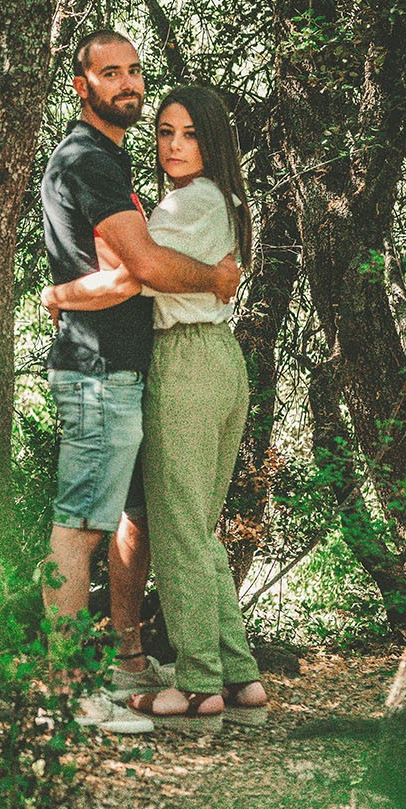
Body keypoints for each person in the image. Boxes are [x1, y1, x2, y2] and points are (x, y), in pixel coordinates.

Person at [46, 84, 265, 734]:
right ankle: (239, 676)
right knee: (199, 528)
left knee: (178, 531)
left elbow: (130, 273)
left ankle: (198, 686)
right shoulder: (223, 200)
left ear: (213, 142)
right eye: (165, 132)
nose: (173, 145)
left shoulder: (186, 203)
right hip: (220, 358)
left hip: (185, 361)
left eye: (189, 134)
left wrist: (57, 294)